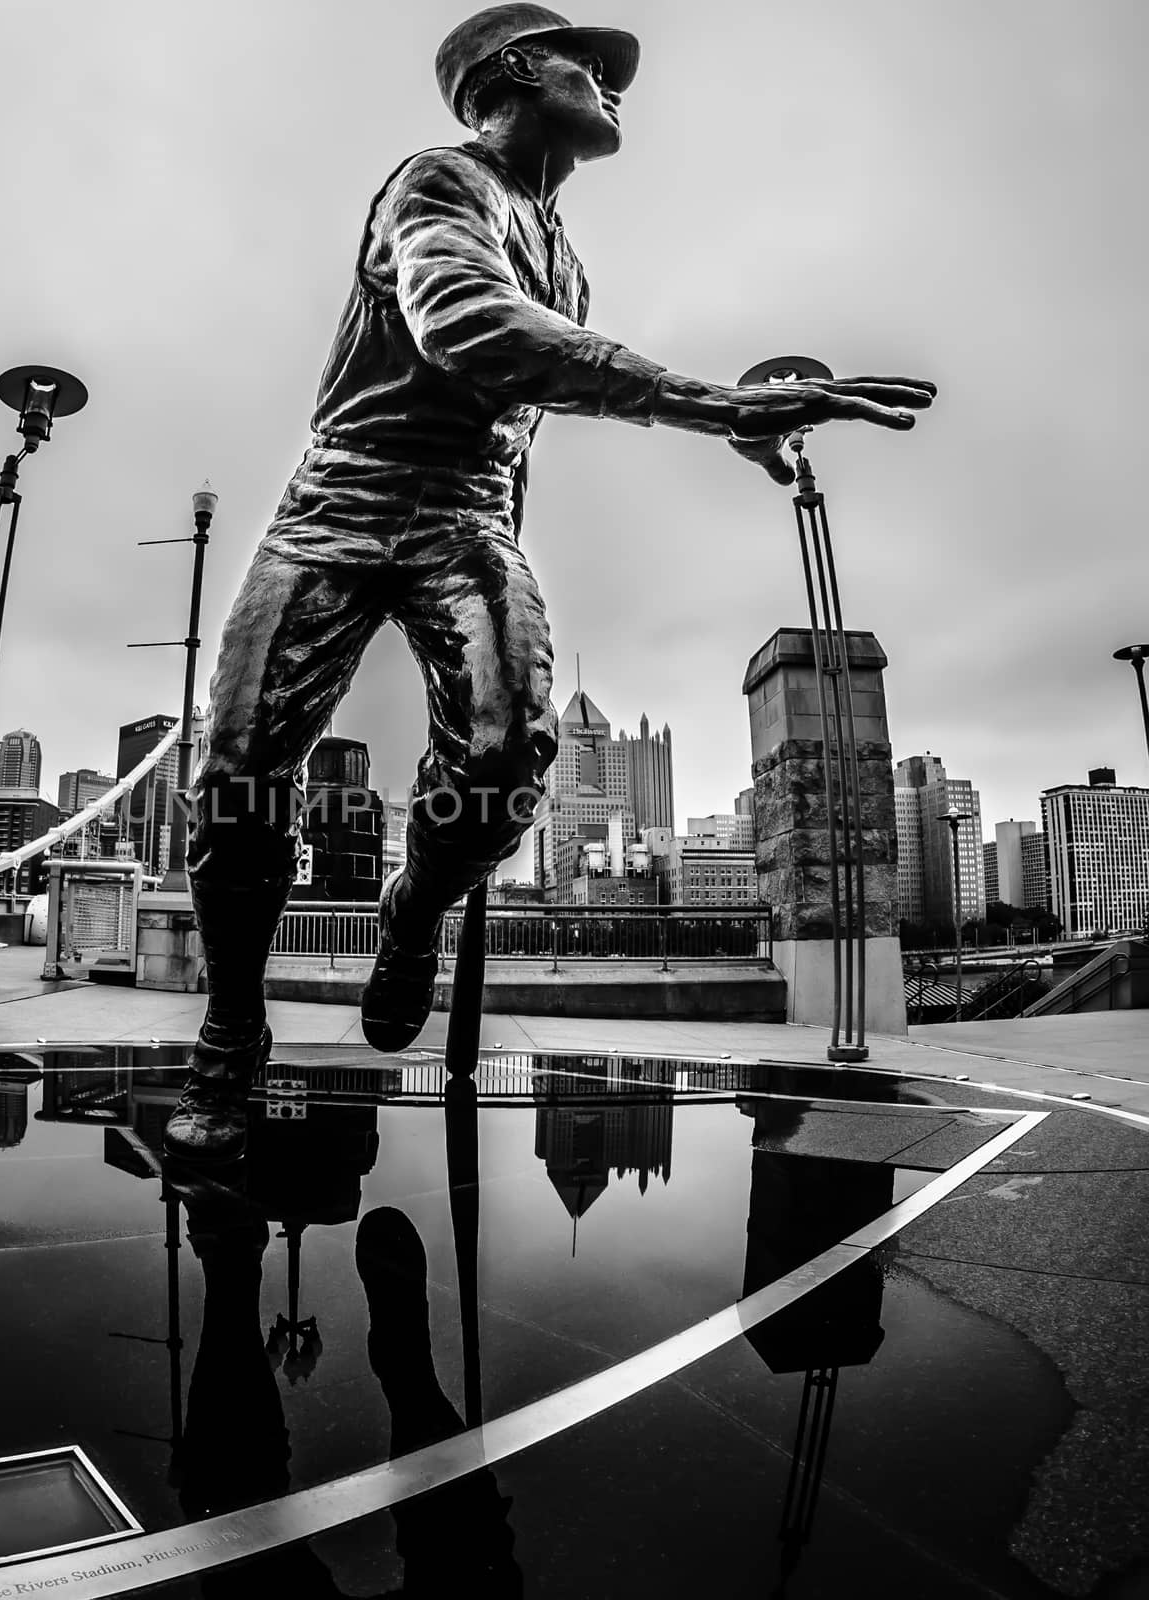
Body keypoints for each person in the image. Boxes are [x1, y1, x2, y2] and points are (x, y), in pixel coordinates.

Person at [164, 4, 934, 1161]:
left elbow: (524, 420)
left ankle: (410, 911)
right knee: (235, 776)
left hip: (465, 515)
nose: (614, 82)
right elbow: (471, 327)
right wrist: (710, 402)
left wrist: (519, 554)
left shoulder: (567, 258)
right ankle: (230, 1042)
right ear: (519, 72)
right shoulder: (436, 181)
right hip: (337, 504)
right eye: (591, 64)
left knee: (505, 751)